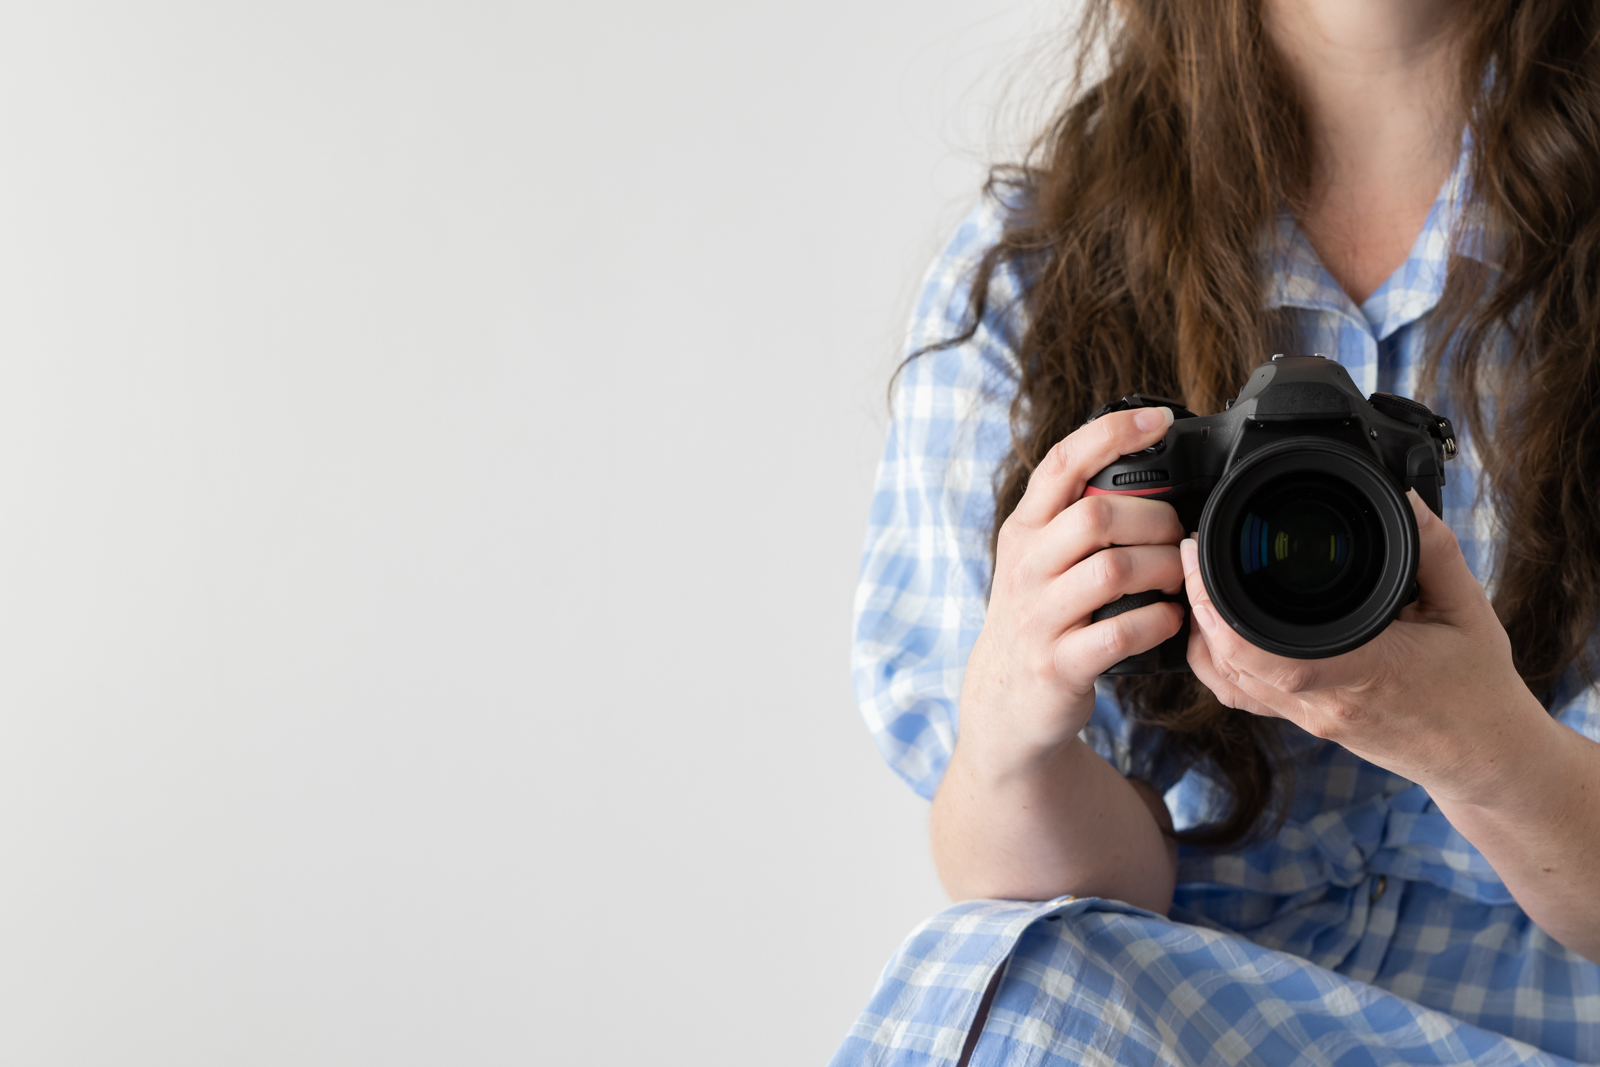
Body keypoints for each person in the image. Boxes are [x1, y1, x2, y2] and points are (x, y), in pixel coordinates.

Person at [836, 1, 1600, 1064]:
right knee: (1018, 975)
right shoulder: (1041, 280)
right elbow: (1083, 898)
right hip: (1182, 1023)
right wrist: (1018, 730)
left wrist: (1485, 747)